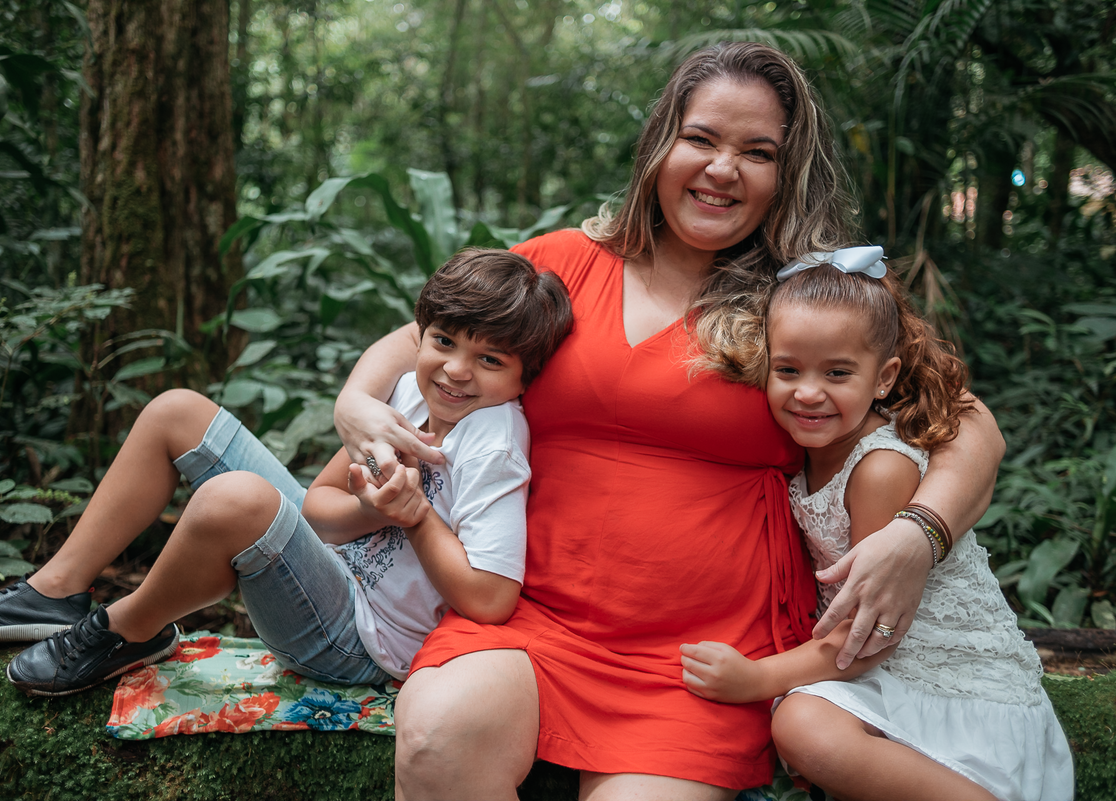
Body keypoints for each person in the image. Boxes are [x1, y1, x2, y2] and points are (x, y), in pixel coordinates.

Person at [332, 43, 1008, 800]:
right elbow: (420, 338)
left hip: (701, 660)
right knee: (438, 737)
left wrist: (919, 534)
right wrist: (354, 401)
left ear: (786, 175)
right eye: (701, 139)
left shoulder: (811, 299)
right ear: (661, 144)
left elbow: (968, 422)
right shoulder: (565, 263)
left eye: (758, 152)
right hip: (526, 621)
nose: (723, 169)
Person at [0, 249, 574, 698]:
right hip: (329, 569)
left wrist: (416, 516)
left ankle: (126, 630)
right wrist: (371, 510)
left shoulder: (492, 442)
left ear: (526, 376)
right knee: (178, 412)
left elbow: (491, 599)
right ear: (421, 335)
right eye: (444, 342)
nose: (457, 369)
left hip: (359, 643)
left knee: (239, 499)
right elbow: (319, 508)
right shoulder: (407, 393)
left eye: (490, 359)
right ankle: (55, 589)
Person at [680, 250, 1073, 801]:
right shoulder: (807, 449)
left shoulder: (878, 469)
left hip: (949, 694)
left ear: (884, 378)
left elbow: (873, 633)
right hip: (881, 674)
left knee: (802, 726)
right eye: (788, 370)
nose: (808, 392)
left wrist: (756, 680)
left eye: (837, 373)